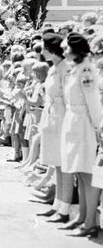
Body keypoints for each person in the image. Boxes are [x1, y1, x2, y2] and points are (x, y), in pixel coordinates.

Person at [59, 33, 102, 237]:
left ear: (76, 50)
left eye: (67, 48)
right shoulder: (75, 68)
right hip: (73, 123)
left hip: (84, 125)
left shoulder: (86, 69)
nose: (64, 51)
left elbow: (93, 101)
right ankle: (81, 217)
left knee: (87, 174)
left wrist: (98, 127)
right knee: (79, 173)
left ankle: (89, 223)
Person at [37, 33, 74, 224]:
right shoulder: (53, 68)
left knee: (64, 166)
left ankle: (65, 208)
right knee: (56, 163)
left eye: (44, 47)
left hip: (62, 118)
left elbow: (69, 98)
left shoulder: (65, 69)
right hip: (52, 117)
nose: (41, 51)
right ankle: (57, 205)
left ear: (52, 49)